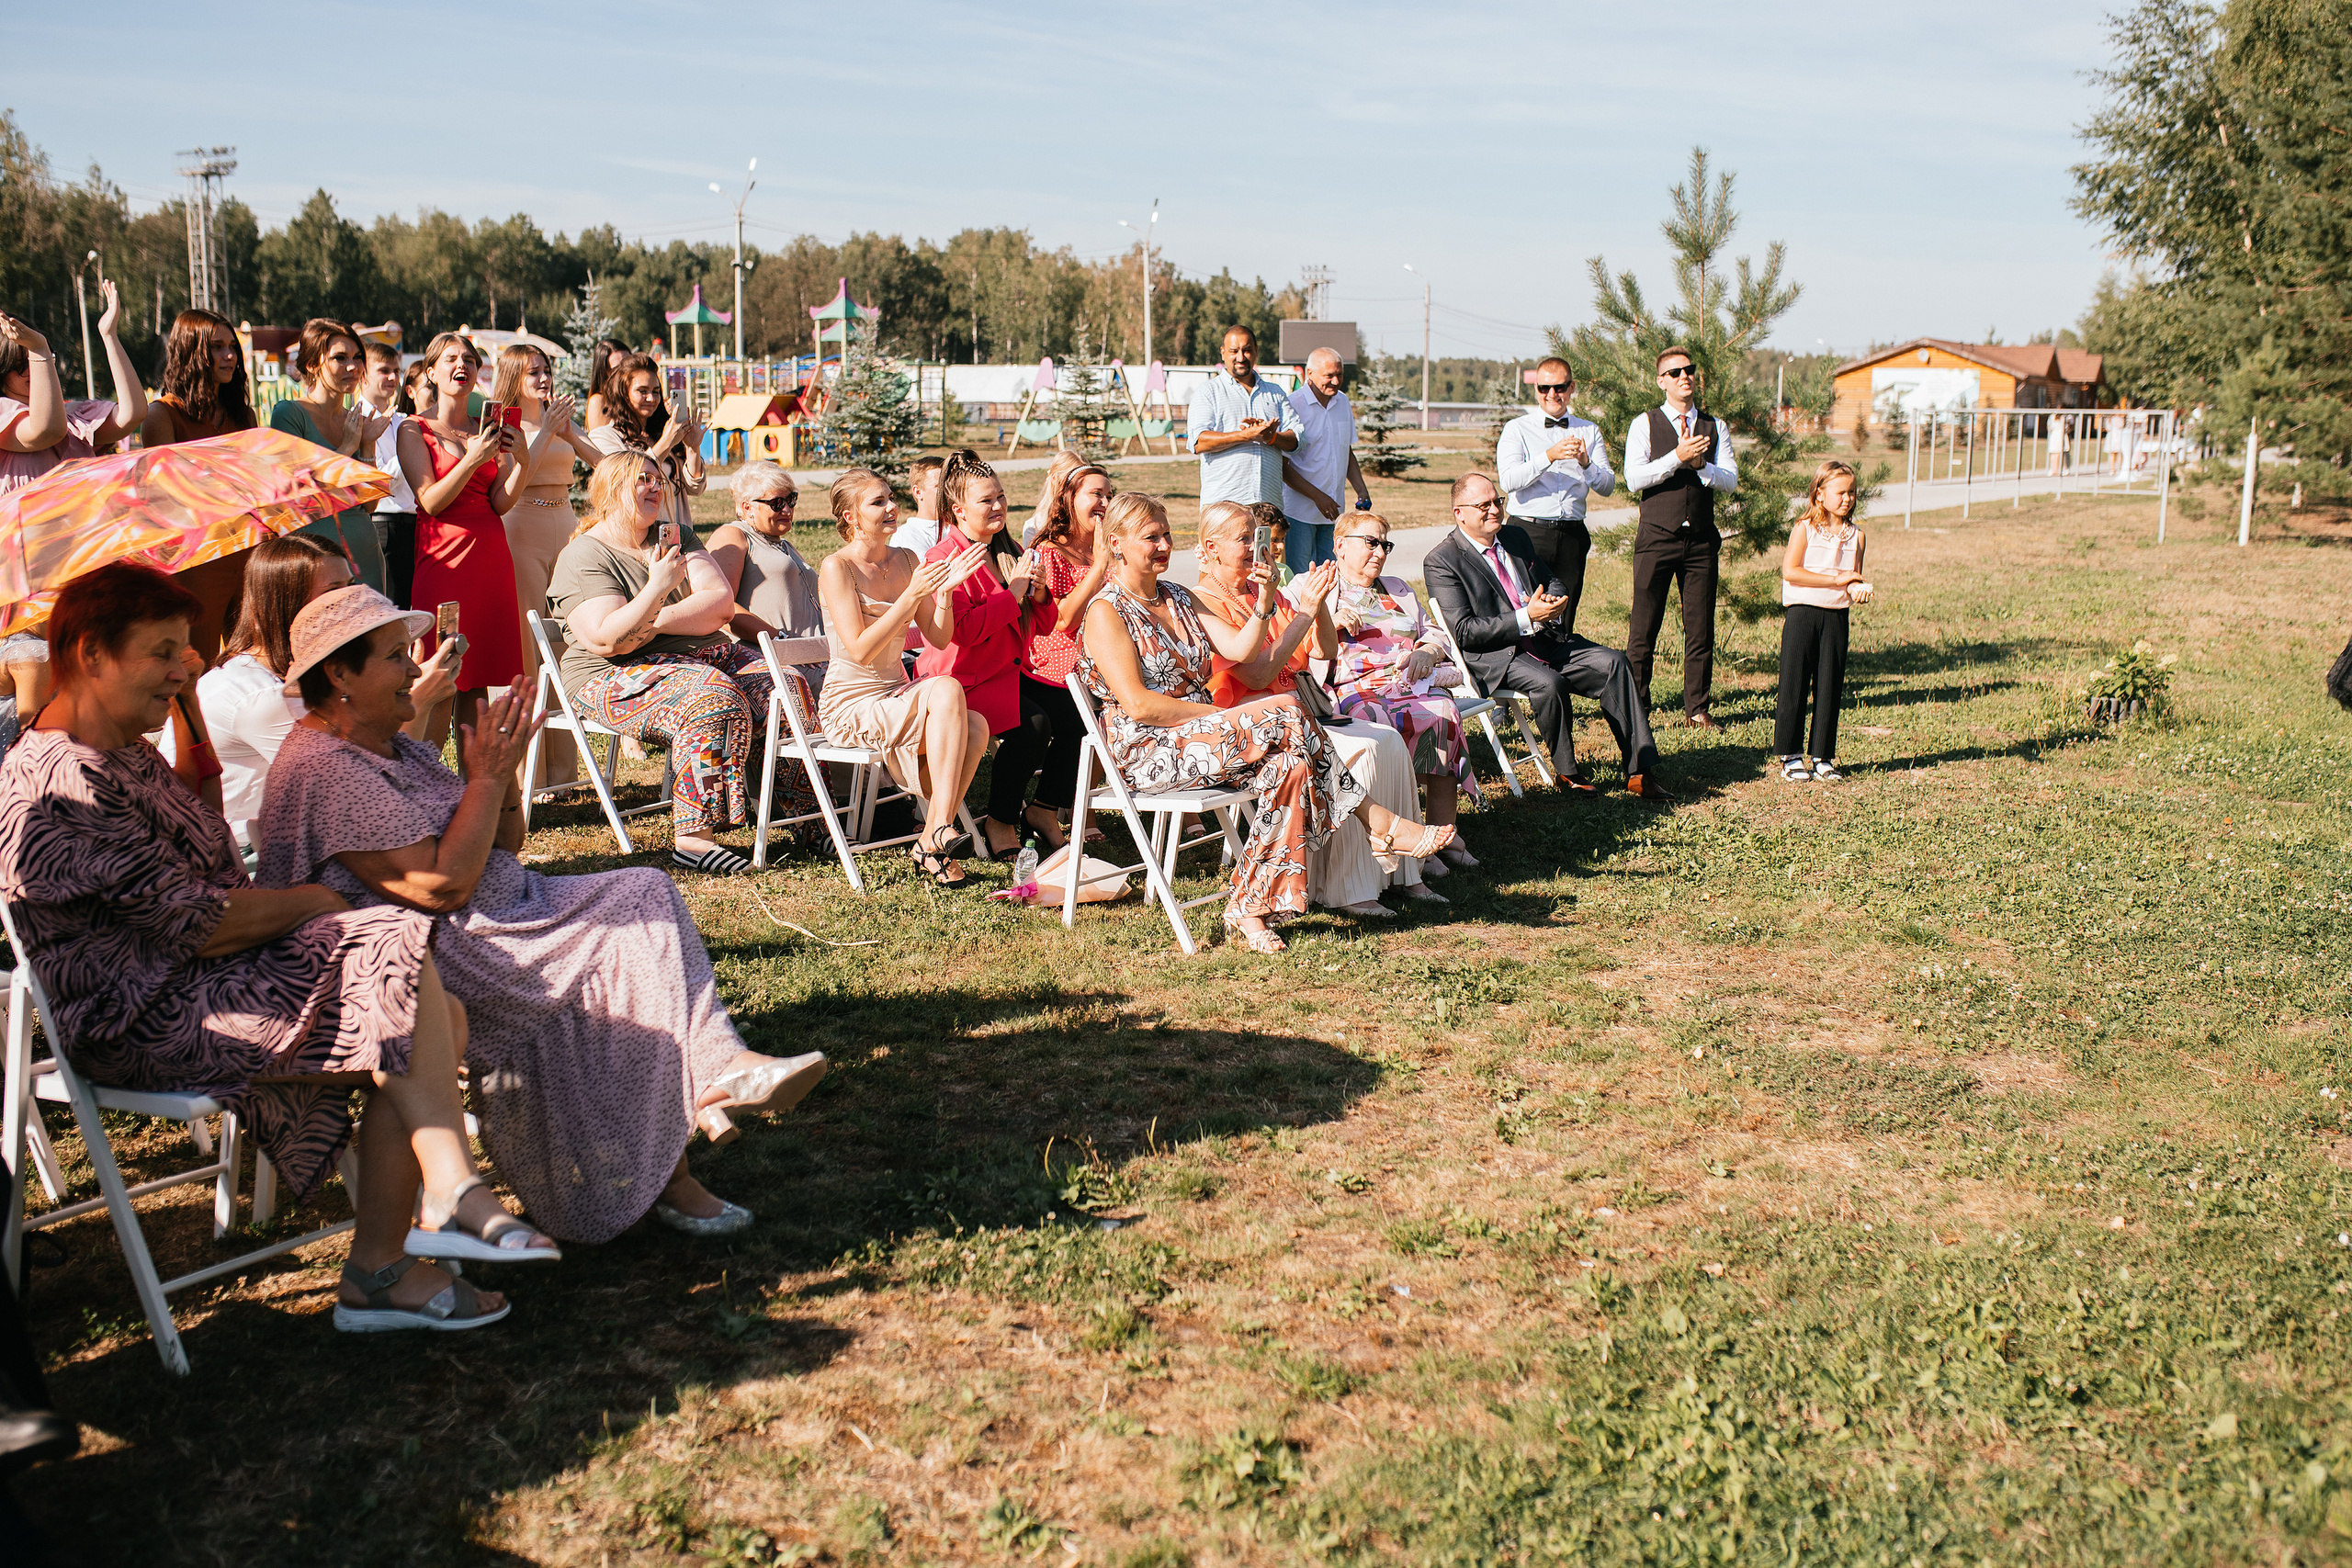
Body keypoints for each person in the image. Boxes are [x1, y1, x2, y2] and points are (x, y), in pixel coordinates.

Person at [0, 562, 555, 1335]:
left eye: (183, 650)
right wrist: (317, 901)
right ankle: (423, 1221)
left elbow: (198, 842)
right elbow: (197, 921)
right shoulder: (59, 779)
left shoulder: (119, 747)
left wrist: (187, 721)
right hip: (144, 1016)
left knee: (429, 1005)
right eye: (162, 652)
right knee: (391, 960)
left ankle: (400, 1249)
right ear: (91, 653)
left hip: (204, 978)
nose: (184, 666)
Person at [255, 585, 825, 1240]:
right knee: (620, 953)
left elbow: (503, 844)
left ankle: (712, 1077)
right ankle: (688, 1133)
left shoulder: (389, 743)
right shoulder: (327, 768)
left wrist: (500, 776)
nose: (415, 667)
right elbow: (441, 887)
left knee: (644, 894)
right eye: (394, 656)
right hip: (434, 952)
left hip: (502, 909)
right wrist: (485, 779)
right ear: (339, 675)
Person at [1079, 493, 1452, 953]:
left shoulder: (1177, 596)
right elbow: (1139, 705)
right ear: (1116, 543)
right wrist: (1225, 717)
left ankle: (1249, 907)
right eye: (1150, 537)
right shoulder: (1106, 611)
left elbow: (1239, 650)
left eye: (1167, 535)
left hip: (1207, 739)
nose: (1164, 545)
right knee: (1286, 710)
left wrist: (1267, 599)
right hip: (1150, 750)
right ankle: (1377, 821)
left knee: (1291, 767)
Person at [550, 452, 818, 875]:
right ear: (612, 489)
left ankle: (810, 821)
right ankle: (694, 840)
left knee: (784, 685)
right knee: (711, 697)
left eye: (658, 479)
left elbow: (720, 605)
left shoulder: (677, 536)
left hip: (699, 655)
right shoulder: (584, 555)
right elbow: (608, 640)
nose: (656, 487)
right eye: (643, 479)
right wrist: (657, 587)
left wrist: (647, 621)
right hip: (613, 674)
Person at [1190, 502, 1444, 913]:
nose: (1258, 548)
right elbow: (1257, 675)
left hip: (1304, 710)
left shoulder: (1262, 590)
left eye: (1257, 537)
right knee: (1363, 751)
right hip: (1258, 724)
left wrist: (1319, 603)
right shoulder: (1205, 602)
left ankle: (1400, 875)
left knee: (1389, 741)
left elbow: (1324, 649)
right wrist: (1303, 610)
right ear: (1211, 548)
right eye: (1245, 539)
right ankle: (1347, 889)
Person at [199, 534, 458, 852]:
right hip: (245, 855)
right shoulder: (262, 697)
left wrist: (429, 696)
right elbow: (372, 790)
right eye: (333, 591)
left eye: (350, 585)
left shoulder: (301, 671)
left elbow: (416, 767)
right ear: (285, 602)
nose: (350, 600)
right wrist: (418, 700)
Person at [1423, 472, 1670, 802]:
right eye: (1484, 505)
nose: (1495, 510)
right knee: (1549, 683)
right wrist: (1527, 616)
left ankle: (1640, 771)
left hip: (1545, 638)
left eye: (1498, 501)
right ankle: (1569, 774)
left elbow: (1551, 579)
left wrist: (1552, 599)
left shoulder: (1515, 536)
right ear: (1460, 513)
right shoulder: (1442, 560)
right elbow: (1465, 632)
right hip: (1497, 655)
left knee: (1615, 663)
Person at [816, 468, 989, 887]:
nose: (892, 507)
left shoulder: (908, 559)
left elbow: (939, 636)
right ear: (851, 516)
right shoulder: (837, 567)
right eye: (878, 502)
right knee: (947, 688)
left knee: (977, 726)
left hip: (895, 693)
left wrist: (944, 593)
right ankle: (939, 831)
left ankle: (931, 837)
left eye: (891, 497)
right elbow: (860, 649)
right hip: (850, 704)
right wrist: (911, 595)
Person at [1, 289, 148, 750]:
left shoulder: (73, 418)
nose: (30, 369)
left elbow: (133, 413)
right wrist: (40, 349)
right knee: (36, 731)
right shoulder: (5, 416)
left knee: (87, 720)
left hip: (80, 588)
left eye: (33, 360)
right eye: (20, 364)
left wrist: (109, 336)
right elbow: (41, 430)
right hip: (25, 606)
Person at [916, 450, 1057, 862]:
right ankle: (999, 820)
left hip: (1006, 674)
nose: (998, 506)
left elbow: (1042, 625)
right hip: (961, 683)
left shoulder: (1008, 549)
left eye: (1000, 497)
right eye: (986, 500)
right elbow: (962, 632)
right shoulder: (943, 558)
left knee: (1070, 715)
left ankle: (1047, 808)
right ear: (959, 510)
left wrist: (1039, 594)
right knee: (1034, 726)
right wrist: (1014, 593)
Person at [395, 331, 530, 743]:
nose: (462, 365)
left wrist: (523, 461)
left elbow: (500, 502)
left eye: (469, 360)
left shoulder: (486, 428)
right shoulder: (413, 428)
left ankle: (473, 777)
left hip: (490, 560)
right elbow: (431, 501)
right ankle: (426, 773)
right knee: (441, 672)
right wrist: (471, 460)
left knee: (478, 681)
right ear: (431, 372)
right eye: (451, 359)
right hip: (444, 562)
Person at [1329, 510, 1481, 868]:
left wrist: (1428, 651)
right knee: (1377, 720)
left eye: (1385, 545)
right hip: (1355, 687)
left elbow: (1434, 633)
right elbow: (1295, 633)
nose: (1380, 552)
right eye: (1371, 543)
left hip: (1410, 682)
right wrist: (1328, 621)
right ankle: (1401, 836)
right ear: (1340, 546)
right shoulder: (1319, 586)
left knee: (1444, 712)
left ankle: (1443, 833)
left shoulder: (1396, 588)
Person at [487, 344, 601, 793]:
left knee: (565, 644)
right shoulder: (505, 425)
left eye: (547, 370)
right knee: (528, 648)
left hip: (567, 525)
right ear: (514, 377)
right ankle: (526, 774)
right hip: (522, 528)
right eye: (533, 372)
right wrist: (547, 431)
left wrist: (569, 432)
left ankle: (562, 773)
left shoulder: (559, 419)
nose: (544, 378)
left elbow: (604, 465)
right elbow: (505, 486)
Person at [1623, 345, 1737, 729]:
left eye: (1689, 370)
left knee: (1700, 629)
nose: (1684, 376)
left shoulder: (1715, 426)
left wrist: (1702, 466)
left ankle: (1697, 709)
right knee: (1643, 628)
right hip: (1657, 537)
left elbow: (1730, 480)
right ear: (1661, 381)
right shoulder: (1645, 423)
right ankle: (1637, 706)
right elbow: (1634, 478)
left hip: (1701, 541)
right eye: (1675, 373)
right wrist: (1677, 457)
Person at [1014, 455, 1116, 850]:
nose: (1105, 502)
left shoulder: (1108, 547)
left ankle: (1057, 805)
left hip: (1105, 653)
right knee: (1090, 717)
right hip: (1058, 660)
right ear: (1070, 499)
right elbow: (1062, 620)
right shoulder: (1049, 550)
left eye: (1109, 494)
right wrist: (1100, 565)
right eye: (1096, 494)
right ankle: (1059, 807)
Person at [267, 319, 391, 592]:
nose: (353, 366)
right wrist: (346, 448)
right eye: (340, 358)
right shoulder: (289, 413)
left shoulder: (355, 420)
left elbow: (369, 507)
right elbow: (294, 493)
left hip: (365, 556)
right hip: (316, 560)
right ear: (313, 364)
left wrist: (367, 445)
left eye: (358, 357)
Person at [1496, 355, 1614, 630]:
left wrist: (1586, 463)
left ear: (1571, 388)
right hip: (1527, 532)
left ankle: (1563, 657)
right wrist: (1548, 456)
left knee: (1565, 614)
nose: (1552, 394)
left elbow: (1607, 486)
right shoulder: (1517, 429)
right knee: (1524, 608)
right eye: (1544, 388)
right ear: (1536, 389)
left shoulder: (1589, 430)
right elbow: (1508, 481)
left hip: (1572, 534)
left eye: (1559, 387)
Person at [1773, 460, 1871, 784]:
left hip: (1836, 617)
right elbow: (1791, 571)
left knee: (1829, 686)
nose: (1848, 499)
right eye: (1840, 492)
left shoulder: (1857, 536)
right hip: (1803, 613)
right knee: (1794, 683)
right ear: (1819, 494)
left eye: (1852, 492)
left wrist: (1856, 589)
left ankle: (1822, 757)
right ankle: (1790, 755)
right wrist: (1835, 580)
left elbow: (1852, 577)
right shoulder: (1804, 529)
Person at [708, 461, 827, 698]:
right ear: (748, 507)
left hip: (817, 658)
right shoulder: (734, 536)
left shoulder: (784, 545)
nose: (787, 510)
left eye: (791, 500)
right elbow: (718, 607)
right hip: (781, 665)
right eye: (777, 503)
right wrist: (782, 642)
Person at [587, 353, 705, 540]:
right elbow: (628, 482)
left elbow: (695, 489)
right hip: (637, 540)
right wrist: (667, 441)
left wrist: (692, 448)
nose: (651, 398)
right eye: (642, 391)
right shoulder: (605, 437)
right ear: (623, 393)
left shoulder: (663, 432)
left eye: (656, 391)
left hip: (678, 537)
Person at [1187, 324, 1300, 513]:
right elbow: (1198, 442)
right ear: (1223, 352)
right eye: (1234, 351)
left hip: (1269, 507)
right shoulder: (1208, 392)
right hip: (1223, 508)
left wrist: (1271, 437)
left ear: (1256, 351)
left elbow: (1298, 439)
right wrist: (1245, 436)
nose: (1240, 357)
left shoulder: (1275, 393)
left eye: (1247, 350)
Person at [1279, 346, 1372, 573]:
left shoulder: (1343, 402)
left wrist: (1361, 490)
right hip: (1299, 513)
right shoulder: (1292, 405)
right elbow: (1283, 466)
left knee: (1331, 574)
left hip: (1334, 512)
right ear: (1309, 374)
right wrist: (1318, 497)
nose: (1335, 381)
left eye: (1339, 374)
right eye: (1329, 375)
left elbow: (1345, 451)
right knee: (1301, 576)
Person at [352, 342, 421, 609]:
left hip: (414, 525)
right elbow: (377, 481)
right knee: (389, 609)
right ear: (364, 375)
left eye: (396, 371)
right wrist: (410, 453)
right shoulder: (355, 420)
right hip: (384, 525)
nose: (393, 377)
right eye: (384, 371)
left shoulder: (403, 420)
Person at [136, 307, 255, 449]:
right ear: (190, 352)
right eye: (217, 346)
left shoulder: (245, 416)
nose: (230, 355)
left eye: (232, 346)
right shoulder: (162, 415)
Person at [891, 454, 948, 555]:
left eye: (949, 485)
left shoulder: (960, 525)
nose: (947, 492)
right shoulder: (908, 535)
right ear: (918, 492)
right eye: (939, 486)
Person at [582, 338, 631, 432]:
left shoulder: (636, 396)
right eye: (616, 369)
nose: (625, 371)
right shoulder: (599, 401)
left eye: (629, 364)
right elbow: (598, 440)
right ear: (604, 372)